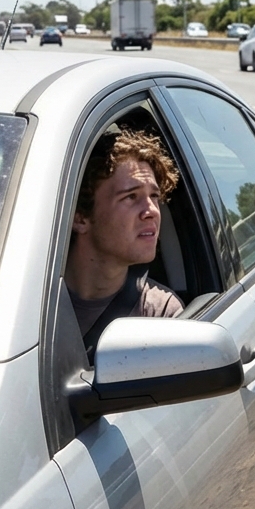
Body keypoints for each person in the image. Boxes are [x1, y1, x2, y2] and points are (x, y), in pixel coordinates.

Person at [66, 128, 184, 358]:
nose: (151, 211)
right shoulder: (27, 304)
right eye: (131, 197)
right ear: (80, 217)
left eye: (154, 197)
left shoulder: (161, 316)